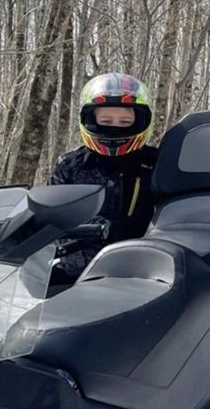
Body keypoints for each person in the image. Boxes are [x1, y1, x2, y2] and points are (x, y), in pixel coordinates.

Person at [48, 73, 158, 288]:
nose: (115, 127)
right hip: (76, 274)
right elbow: (48, 216)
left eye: (125, 121)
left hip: (140, 273)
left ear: (141, 120)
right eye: (106, 121)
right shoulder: (71, 165)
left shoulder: (157, 164)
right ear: (90, 120)